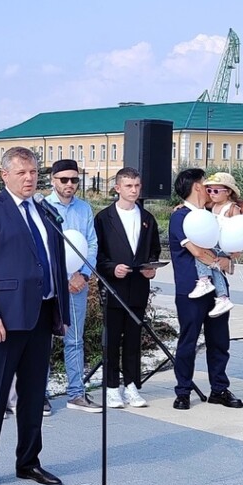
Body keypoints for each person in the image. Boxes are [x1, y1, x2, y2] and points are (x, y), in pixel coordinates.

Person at [0, 147, 69, 485]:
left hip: (41, 315)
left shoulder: (45, 210)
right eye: (22, 172)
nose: (29, 178)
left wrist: (62, 312)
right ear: (4, 175)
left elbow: (55, 262)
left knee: (33, 394)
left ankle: (28, 461)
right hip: (3, 320)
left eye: (33, 172)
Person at [169, 168, 243, 411]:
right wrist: (219, 263)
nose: (209, 188)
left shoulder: (211, 216)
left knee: (219, 341)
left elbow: (230, 247)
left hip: (217, 289)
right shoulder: (181, 217)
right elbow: (198, 252)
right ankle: (183, 391)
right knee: (188, 340)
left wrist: (229, 259)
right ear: (197, 187)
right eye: (205, 184)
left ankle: (219, 389)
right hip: (192, 289)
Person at [94, 167, 160, 409]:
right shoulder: (104, 218)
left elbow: (154, 250)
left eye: (137, 186)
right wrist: (112, 268)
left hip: (138, 287)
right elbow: (97, 253)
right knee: (112, 339)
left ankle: (132, 385)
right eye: (129, 186)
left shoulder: (147, 218)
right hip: (114, 288)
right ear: (117, 188)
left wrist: (151, 267)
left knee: (133, 339)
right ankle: (112, 387)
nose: (134, 190)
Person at [46, 159, 101, 413]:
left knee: (75, 340)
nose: (70, 184)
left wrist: (84, 275)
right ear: (53, 180)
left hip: (78, 283)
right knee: (43, 342)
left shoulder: (84, 209)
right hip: (50, 285)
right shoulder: (42, 207)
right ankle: (40, 395)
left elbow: (91, 244)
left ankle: (77, 393)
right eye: (64, 179)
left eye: (74, 179)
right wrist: (61, 277)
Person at [188, 172, 243, 317]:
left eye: (216, 191)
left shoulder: (232, 208)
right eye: (209, 190)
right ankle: (222, 297)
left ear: (228, 192)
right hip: (215, 241)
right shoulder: (212, 205)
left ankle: (204, 280)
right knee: (216, 268)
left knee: (201, 253)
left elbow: (241, 228)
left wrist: (237, 249)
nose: (211, 194)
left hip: (224, 243)